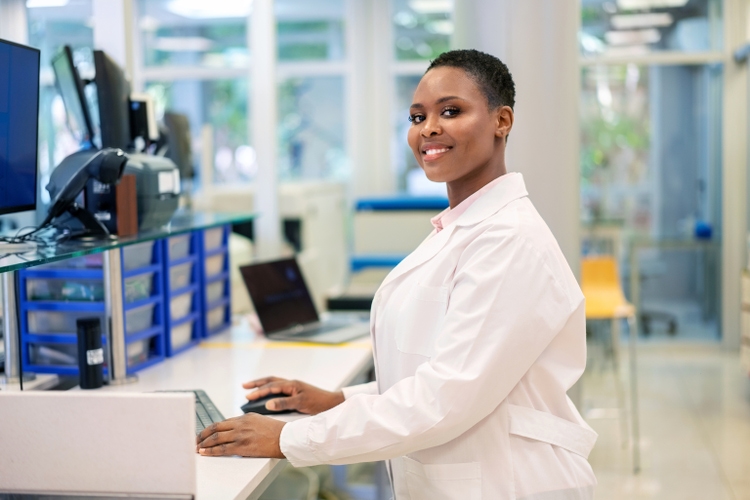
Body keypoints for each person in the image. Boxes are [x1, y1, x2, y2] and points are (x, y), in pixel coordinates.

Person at [197, 49, 598, 500]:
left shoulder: (508, 240)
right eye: (416, 116)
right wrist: (337, 402)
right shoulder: (462, 228)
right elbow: (434, 370)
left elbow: (444, 398)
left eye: (452, 111)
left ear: (501, 120)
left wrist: (287, 439)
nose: (428, 128)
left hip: (510, 484)